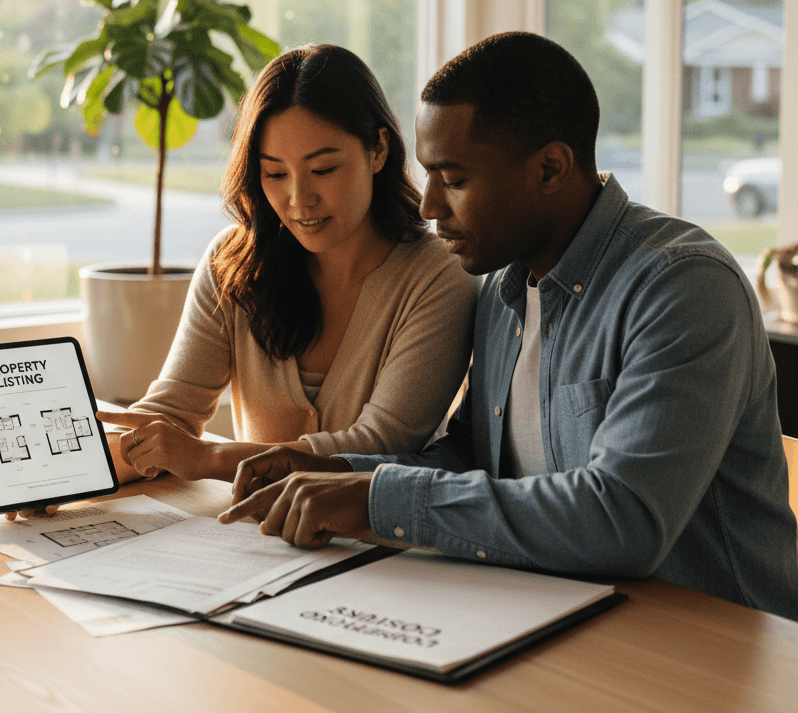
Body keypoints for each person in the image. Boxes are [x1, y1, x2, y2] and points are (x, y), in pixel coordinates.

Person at [221, 31, 798, 621]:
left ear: (550, 168)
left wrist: (375, 498)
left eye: (455, 179)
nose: (428, 206)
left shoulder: (682, 286)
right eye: (428, 175)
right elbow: (475, 456)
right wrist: (334, 473)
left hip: (719, 652)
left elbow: (625, 518)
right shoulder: (502, 288)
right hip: (565, 619)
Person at [0, 43, 478, 516]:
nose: (299, 199)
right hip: (256, 547)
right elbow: (171, 417)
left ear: (378, 151)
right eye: (275, 173)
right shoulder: (235, 262)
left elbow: (376, 446)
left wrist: (208, 458)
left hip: (386, 553)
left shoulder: (438, 277)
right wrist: (58, 470)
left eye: (323, 170)